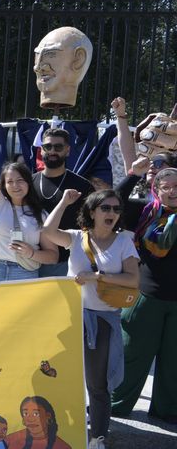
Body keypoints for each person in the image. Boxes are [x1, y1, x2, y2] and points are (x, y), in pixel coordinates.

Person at [43, 189, 138, 449]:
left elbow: (133, 279)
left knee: (97, 385)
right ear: (93, 211)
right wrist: (63, 201)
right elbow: (48, 231)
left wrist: (98, 277)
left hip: (103, 322)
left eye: (116, 209)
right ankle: (60, 429)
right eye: (105, 208)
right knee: (60, 376)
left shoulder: (124, 241)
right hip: (70, 318)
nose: (112, 213)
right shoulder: (75, 238)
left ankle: (98, 436)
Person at [110, 166, 177, 425]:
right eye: (166, 187)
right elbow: (113, 201)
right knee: (132, 354)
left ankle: (167, 409)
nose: (172, 191)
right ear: (156, 189)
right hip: (146, 297)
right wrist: (133, 175)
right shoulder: (144, 212)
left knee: (173, 361)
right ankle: (116, 404)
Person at [0, 129, 59, 284]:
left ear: (28, 182)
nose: (15, 185)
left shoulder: (41, 214)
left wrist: (31, 253)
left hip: (23, 273)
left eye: (20, 180)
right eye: (10, 182)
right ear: (4, 186)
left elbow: (53, 256)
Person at [32, 128, 95, 277]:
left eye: (58, 147)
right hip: (31, 260)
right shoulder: (29, 182)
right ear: (41, 150)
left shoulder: (83, 186)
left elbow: (92, 225)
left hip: (69, 262)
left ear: (67, 151)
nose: (52, 151)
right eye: (48, 147)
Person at [4, 396, 70, 449]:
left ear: (48, 416)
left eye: (36, 414)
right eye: (25, 414)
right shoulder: (9, 440)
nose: (30, 419)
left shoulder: (62, 446)